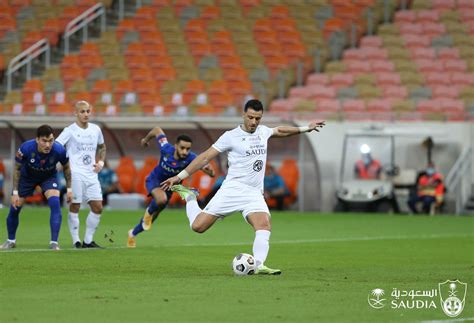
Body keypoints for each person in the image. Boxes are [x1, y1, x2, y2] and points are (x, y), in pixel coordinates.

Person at [161, 99, 325, 275]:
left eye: (258, 118)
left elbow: (280, 130)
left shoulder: (263, 131)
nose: (254, 122)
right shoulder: (230, 136)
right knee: (198, 227)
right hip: (232, 190)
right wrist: (179, 177)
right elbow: (205, 157)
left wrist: (305, 128)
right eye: (251, 117)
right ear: (243, 115)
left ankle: (259, 264)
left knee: (264, 224)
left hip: (254, 192)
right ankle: (190, 196)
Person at [127, 127, 215, 248]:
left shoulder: (192, 158)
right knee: (161, 200)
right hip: (155, 180)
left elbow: (211, 172)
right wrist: (146, 139)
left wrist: (210, 172)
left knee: (150, 222)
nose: (185, 151)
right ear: (176, 146)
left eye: (188, 149)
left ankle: (132, 233)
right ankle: (149, 211)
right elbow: (157, 130)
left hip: (170, 188)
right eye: (182, 148)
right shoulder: (166, 148)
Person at [0, 125, 72, 250]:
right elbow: (17, 168)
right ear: (37, 139)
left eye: (50, 141)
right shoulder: (26, 148)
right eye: (44, 141)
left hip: (48, 177)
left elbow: (66, 167)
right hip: (27, 178)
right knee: (14, 208)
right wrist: (15, 192)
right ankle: (10, 240)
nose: (48, 145)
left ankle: (54, 243)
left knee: (55, 202)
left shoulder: (59, 150)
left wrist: (70, 190)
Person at [56, 100, 106, 248]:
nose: (85, 114)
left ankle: (88, 241)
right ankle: (76, 240)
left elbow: (102, 147)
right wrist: (64, 164)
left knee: (98, 207)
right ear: (76, 113)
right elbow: (57, 146)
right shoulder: (69, 130)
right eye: (82, 111)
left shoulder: (96, 129)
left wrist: (101, 162)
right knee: (75, 206)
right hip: (75, 173)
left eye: (88, 111)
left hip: (91, 173)